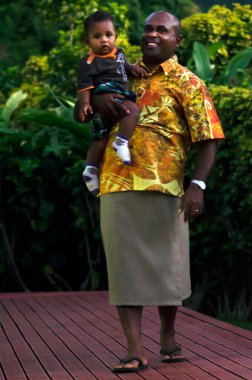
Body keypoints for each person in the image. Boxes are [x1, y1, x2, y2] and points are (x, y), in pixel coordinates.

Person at [75, 11, 224, 373]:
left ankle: (168, 336)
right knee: (124, 268)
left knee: (167, 267)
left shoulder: (188, 82)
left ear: (177, 40)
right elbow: (87, 113)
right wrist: (97, 103)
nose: (152, 34)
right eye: (147, 28)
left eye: (162, 29)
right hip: (117, 181)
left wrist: (197, 185)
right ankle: (134, 348)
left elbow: (209, 140)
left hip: (166, 186)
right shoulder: (118, 71)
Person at [77, 10, 146, 195]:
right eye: (97, 36)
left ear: (116, 36)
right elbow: (84, 86)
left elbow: (123, 66)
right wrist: (85, 103)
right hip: (106, 96)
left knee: (104, 135)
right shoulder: (89, 62)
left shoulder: (119, 54)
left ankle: (95, 164)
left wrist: (132, 68)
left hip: (117, 97)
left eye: (109, 35)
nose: (104, 40)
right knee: (129, 113)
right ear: (88, 41)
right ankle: (116, 147)